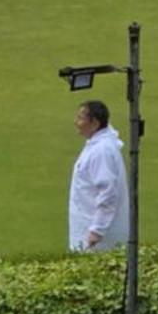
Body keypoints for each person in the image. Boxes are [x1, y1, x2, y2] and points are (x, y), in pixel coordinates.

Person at [68, 99, 129, 252]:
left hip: (96, 238)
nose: (76, 122)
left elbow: (108, 192)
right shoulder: (100, 144)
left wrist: (97, 230)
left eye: (81, 118)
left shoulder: (101, 151)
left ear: (94, 123)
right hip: (90, 229)